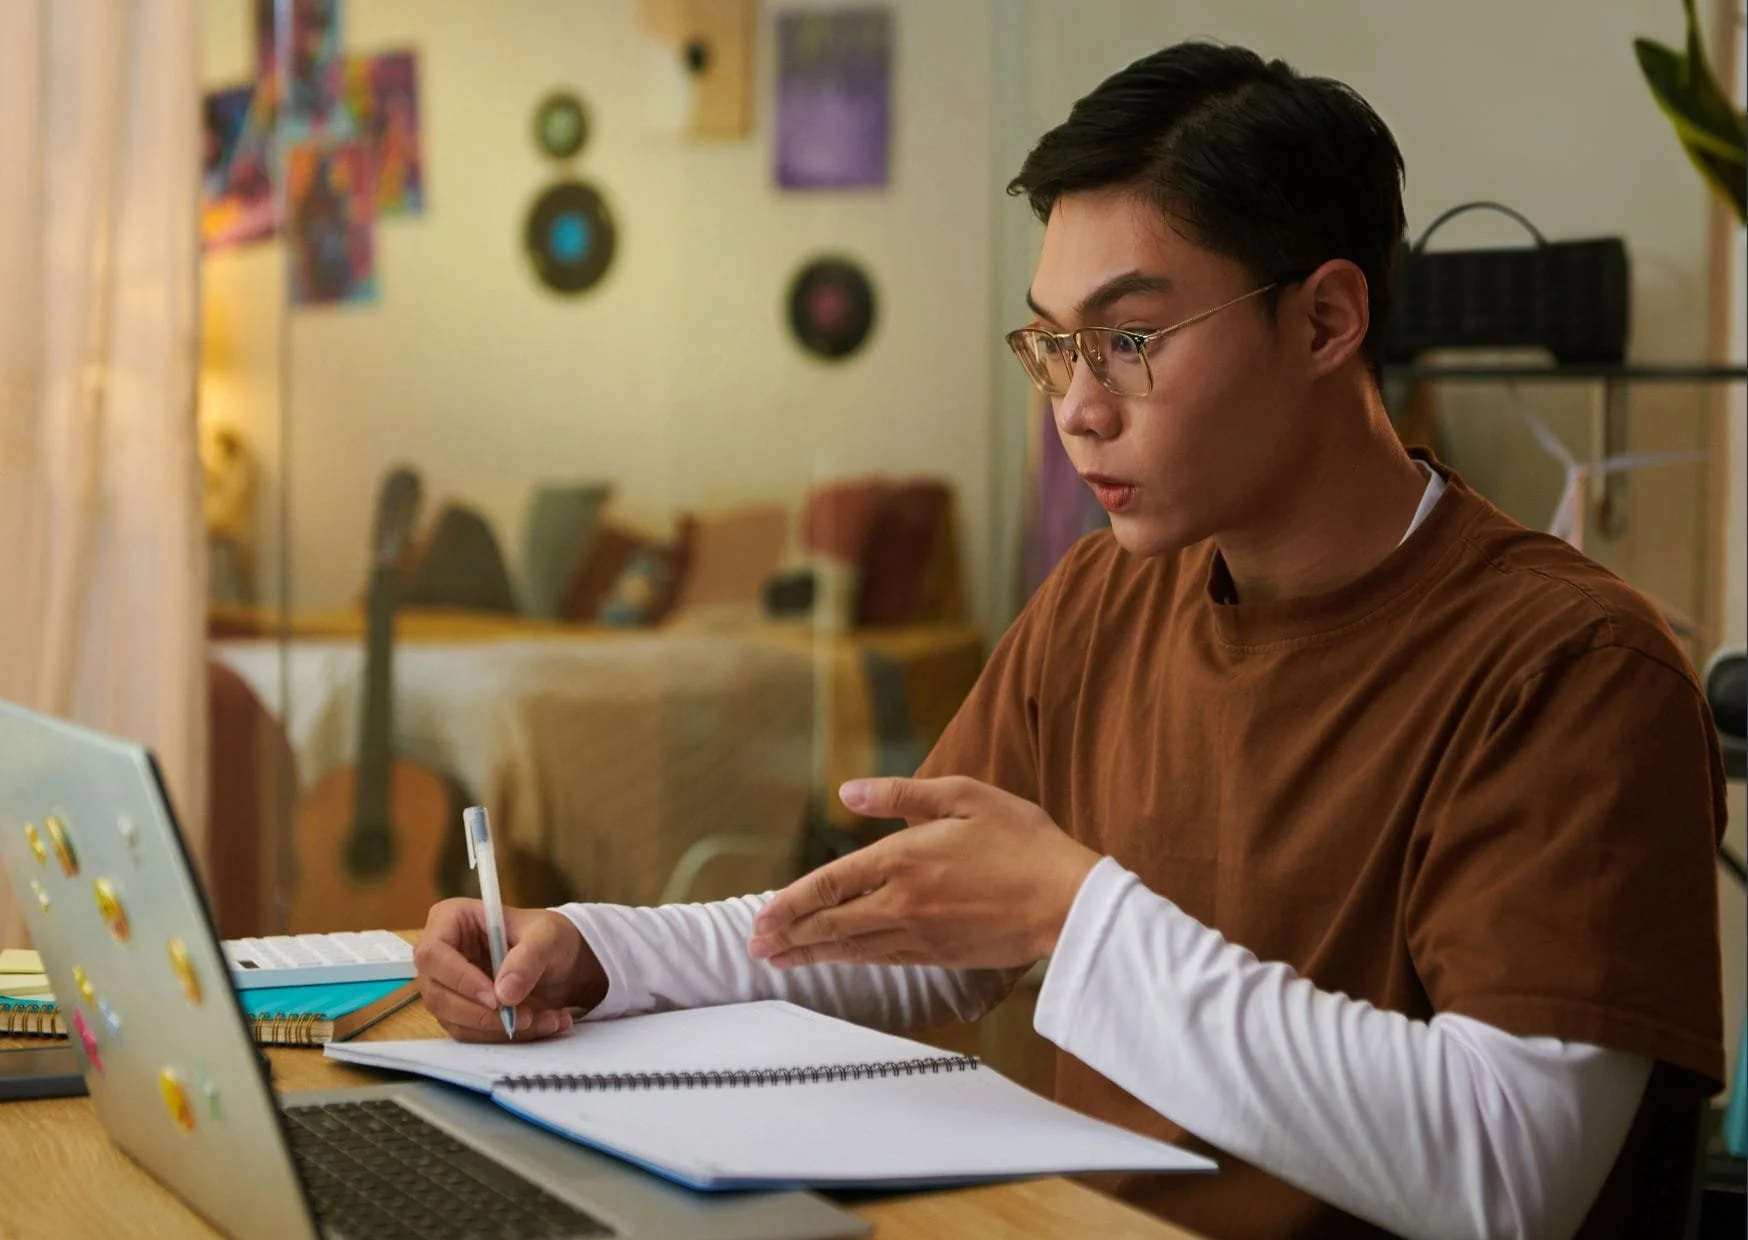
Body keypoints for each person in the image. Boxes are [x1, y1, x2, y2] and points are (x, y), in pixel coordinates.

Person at [414, 41, 1725, 1240]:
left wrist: (1074, 915)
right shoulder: (1107, 595)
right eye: (1054, 346)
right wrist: (597, 954)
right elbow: (915, 932)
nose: (1076, 412)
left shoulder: (1568, 670)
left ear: (1326, 321)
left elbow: (1515, 1174)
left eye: (1132, 340)